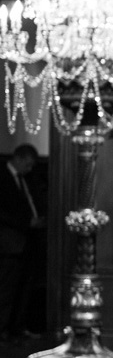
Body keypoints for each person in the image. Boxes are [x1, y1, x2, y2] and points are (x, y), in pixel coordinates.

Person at [0, 144, 44, 343]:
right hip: (10, 241)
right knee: (7, 289)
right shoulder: (2, 178)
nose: (30, 168)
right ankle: (3, 329)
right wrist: (27, 222)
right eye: (27, 164)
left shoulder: (26, 179)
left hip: (27, 241)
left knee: (23, 288)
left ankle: (17, 327)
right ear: (18, 158)